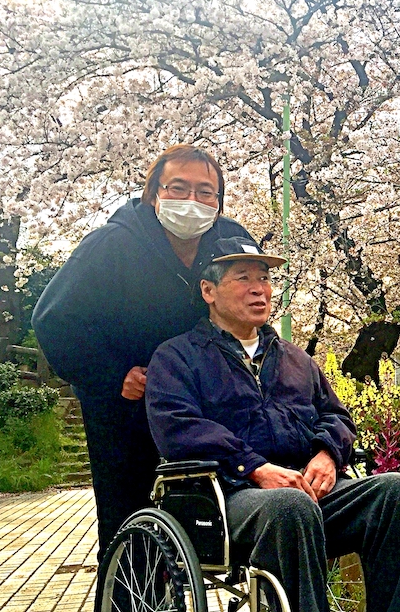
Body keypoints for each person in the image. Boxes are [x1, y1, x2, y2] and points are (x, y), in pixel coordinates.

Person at [145, 237, 400, 612]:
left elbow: (336, 416)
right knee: (289, 506)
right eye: (243, 278)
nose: (259, 289)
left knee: (396, 493)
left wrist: (327, 453)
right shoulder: (177, 357)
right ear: (209, 291)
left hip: (306, 490)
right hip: (228, 497)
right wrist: (253, 467)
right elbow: (177, 427)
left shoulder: (297, 360)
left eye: (264, 278)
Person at [31, 145, 254, 558]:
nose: (192, 202)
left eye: (205, 192)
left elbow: (251, 299)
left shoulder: (230, 241)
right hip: (127, 408)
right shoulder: (111, 246)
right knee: (130, 527)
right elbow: (53, 320)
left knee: (222, 515)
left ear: (219, 201)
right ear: (154, 193)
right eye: (179, 188)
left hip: (207, 406)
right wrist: (114, 375)